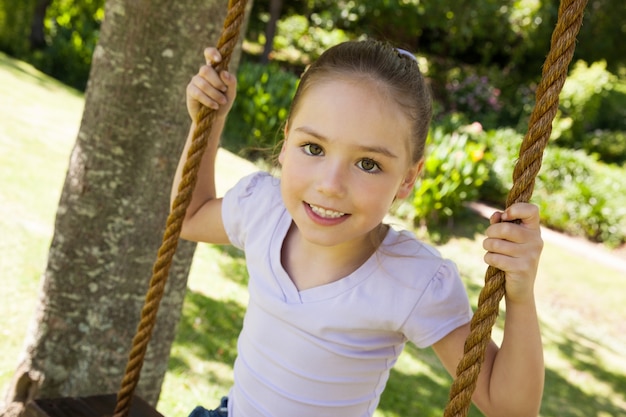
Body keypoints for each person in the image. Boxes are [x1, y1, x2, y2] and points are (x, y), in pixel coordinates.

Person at [172, 39, 544, 417]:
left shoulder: (411, 279)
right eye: (313, 148)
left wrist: (520, 294)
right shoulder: (262, 210)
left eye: (368, 164)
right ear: (286, 142)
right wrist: (210, 121)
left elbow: (509, 409)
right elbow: (190, 216)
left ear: (407, 179)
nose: (330, 185)